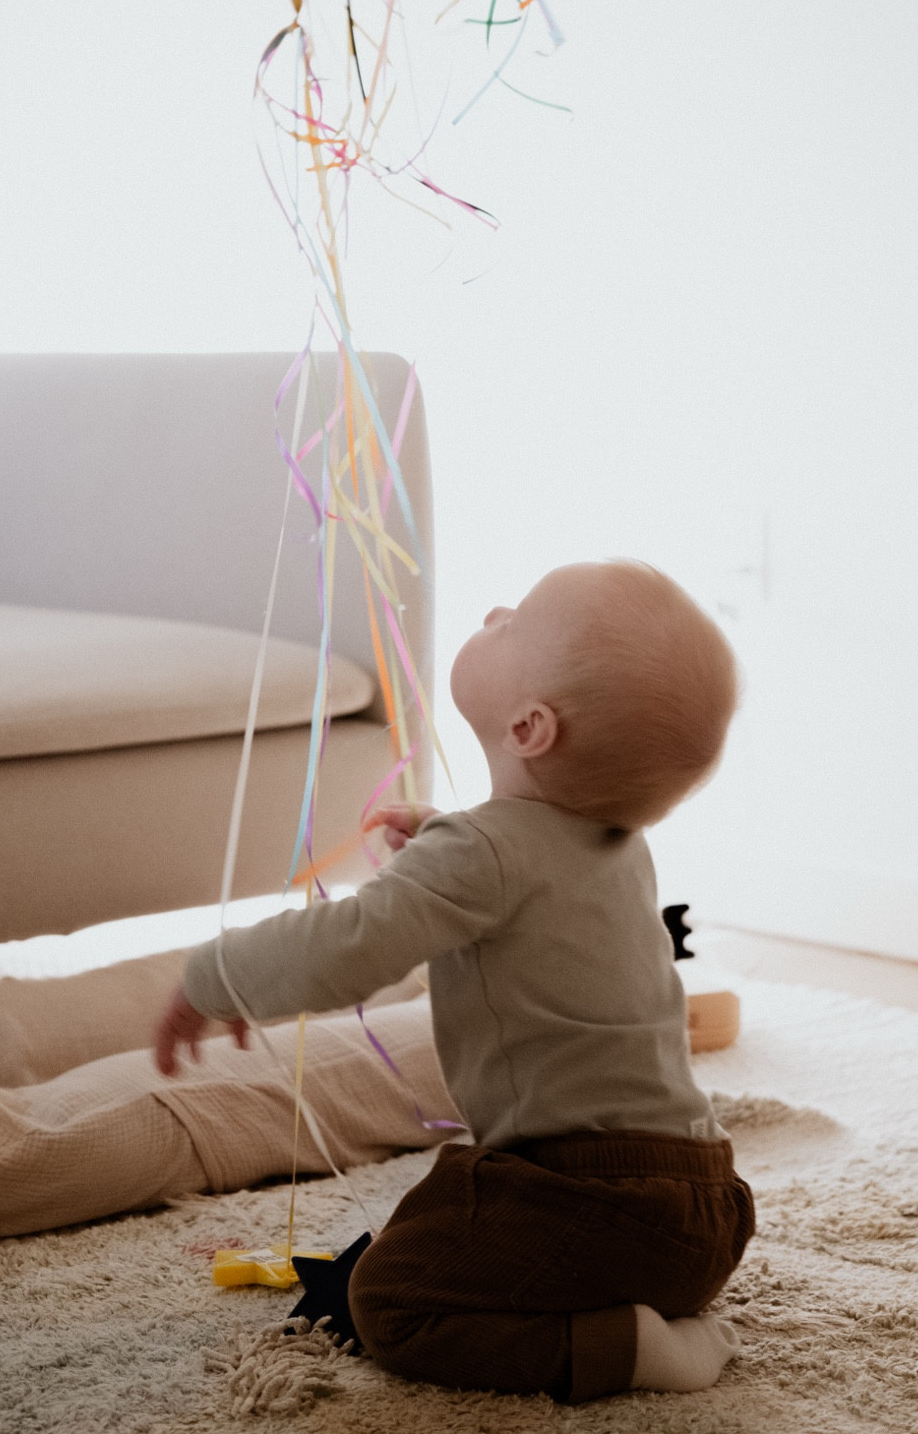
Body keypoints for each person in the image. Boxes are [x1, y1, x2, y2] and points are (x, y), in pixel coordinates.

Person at [154, 560, 752, 1404]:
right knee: (441, 1235)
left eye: (513, 623)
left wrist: (216, 977)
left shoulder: (481, 860)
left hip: (588, 1203)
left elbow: (347, 947)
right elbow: (533, 882)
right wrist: (446, 838)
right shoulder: (617, 846)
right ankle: (640, 1313)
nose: (495, 610)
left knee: (390, 1301)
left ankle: (637, 1352)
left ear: (529, 728)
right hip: (705, 1211)